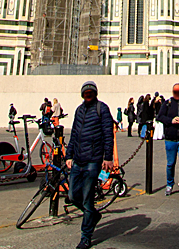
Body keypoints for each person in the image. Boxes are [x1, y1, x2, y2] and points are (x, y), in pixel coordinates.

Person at [65, 81, 114, 249]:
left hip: (93, 161)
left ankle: (86, 236)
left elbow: (108, 134)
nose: (88, 94)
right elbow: (73, 134)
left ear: (95, 93)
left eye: (91, 92)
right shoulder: (79, 110)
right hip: (78, 161)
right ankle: (93, 215)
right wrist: (68, 155)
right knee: (72, 195)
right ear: (82, 94)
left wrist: (108, 157)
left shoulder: (102, 109)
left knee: (87, 200)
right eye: (85, 92)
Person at [157, 83, 179, 200]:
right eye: (175, 92)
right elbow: (160, 117)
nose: (177, 94)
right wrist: (171, 121)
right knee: (171, 163)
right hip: (170, 139)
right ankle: (169, 184)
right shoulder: (167, 104)